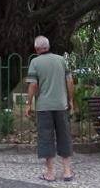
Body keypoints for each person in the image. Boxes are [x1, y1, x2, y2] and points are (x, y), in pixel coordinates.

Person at [24, 36, 74, 182]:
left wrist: (28, 103)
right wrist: (70, 100)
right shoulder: (61, 60)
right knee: (64, 136)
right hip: (61, 105)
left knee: (46, 137)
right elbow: (70, 81)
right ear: (48, 46)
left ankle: (50, 173)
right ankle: (67, 171)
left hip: (44, 106)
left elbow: (33, 85)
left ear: (36, 49)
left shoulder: (35, 62)